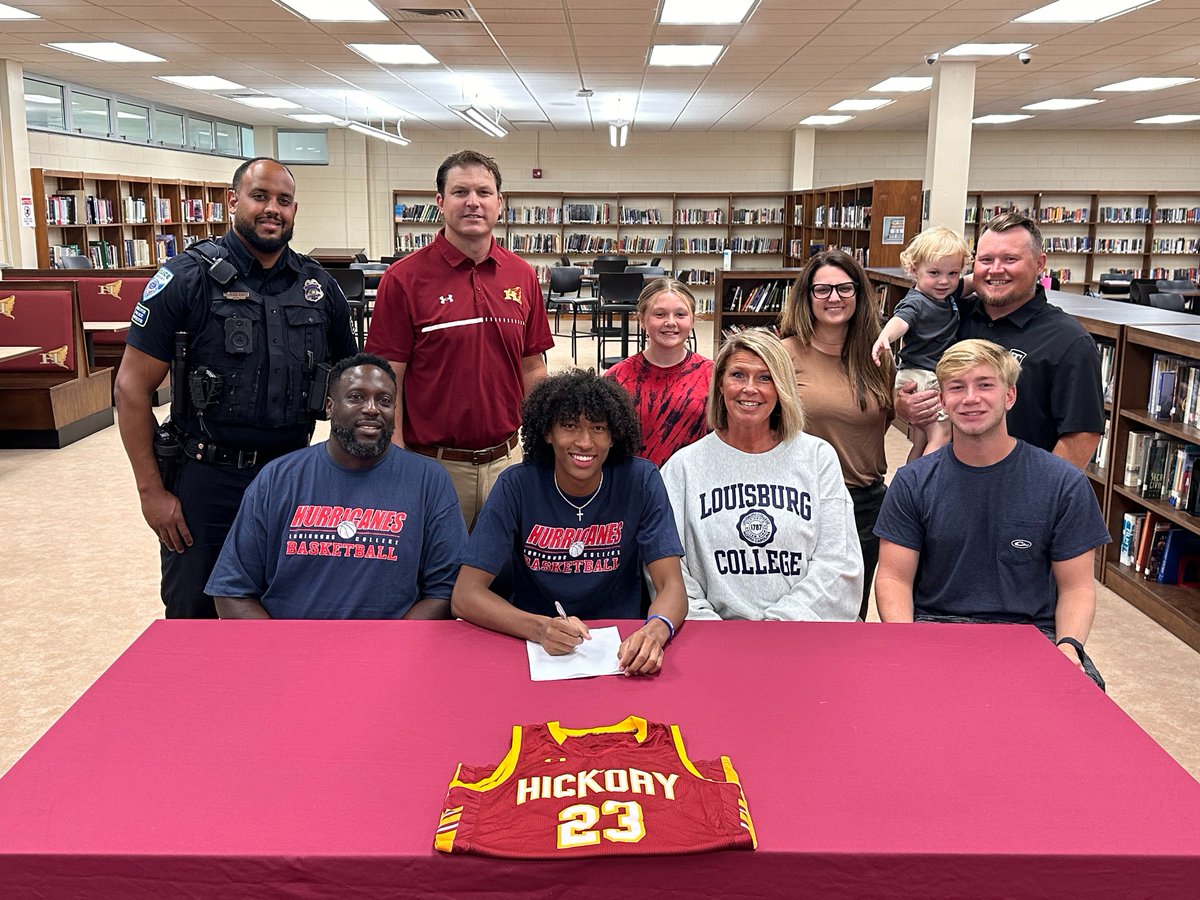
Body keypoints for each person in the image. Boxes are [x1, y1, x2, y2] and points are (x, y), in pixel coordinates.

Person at [114, 157, 357, 619]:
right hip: (207, 478)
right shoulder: (184, 279)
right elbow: (130, 388)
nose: (272, 209)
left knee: (293, 606)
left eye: (283, 201)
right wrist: (151, 492)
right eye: (260, 196)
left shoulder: (319, 288)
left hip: (294, 476)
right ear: (233, 201)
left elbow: (353, 382)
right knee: (197, 613)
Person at [874, 339, 1110, 688]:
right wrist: (906, 643)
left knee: (1082, 712)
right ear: (942, 401)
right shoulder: (913, 482)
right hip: (934, 626)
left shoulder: (1063, 483)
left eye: (985, 385)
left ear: (1009, 396)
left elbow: (1076, 587)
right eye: (957, 387)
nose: (971, 398)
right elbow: (894, 578)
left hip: (1031, 634)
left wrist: (1069, 646)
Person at [451, 369, 687, 676]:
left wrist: (654, 631)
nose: (585, 442)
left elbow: (672, 586)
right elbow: (464, 595)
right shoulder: (516, 485)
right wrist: (539, 627)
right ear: (547, 433)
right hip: (533, 646)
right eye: (570, 426)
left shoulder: (641, 480)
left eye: (599, 428)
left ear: (614, 434)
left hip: (622, 649)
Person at [365, 150, 555, 529]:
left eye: (484, 192)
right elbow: (389, 380)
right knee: (435, 581)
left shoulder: (522, 275)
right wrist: (395, 455)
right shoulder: (403, 280)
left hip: (508, 463)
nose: (473, 202)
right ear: (440, 202)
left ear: (500, 203)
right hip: (433, 466)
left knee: (504, 578)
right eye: (460, 192)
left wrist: (542, 440)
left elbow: (532, 366)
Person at [205, 353, 467, 619]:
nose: (372, 409)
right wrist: (282, 656)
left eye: (384, 400)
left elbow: (445, 592)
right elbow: (231, 590)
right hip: (289, 651)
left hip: (390, 653)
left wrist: (389, 652)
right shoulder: (277, 478)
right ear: (330, 407)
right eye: (356, 397)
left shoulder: (429, 480)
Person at [661, 328, 862, 622]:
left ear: (782, 388)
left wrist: (777, 626)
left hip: (801, 634)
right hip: (714, 639)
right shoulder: (684, 466)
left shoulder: (818, 458)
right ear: (719, 384)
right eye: (738, 375)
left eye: (765, 378)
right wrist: (710, 630)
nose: (750, 388)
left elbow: (839, 563)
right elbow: (670, 571)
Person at [896, 212, 1103, 469]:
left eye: (1010, 259)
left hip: (1016, 490)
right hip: (944, 482)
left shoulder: (1069, 341)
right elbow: (914, 370)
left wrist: (1037, 496)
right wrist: (904, 405)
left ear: (1040, 264)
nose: (995, 270)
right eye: (985, 260)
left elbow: (1081, 434)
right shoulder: (950, 315)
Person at [778, 250, 892, 620]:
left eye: (845, 288)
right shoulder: (783, 354)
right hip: (798, 503)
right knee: (794, 613)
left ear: (860, 295)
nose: (834, 298)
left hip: (863, 504)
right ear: (807, 295)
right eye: (823, 289)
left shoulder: (878, 355)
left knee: (848, 615)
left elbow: (884, 419)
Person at [871, 226, 973, 463]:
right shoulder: (917, 301)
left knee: (920, 439)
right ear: (914, 270)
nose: (944, 281)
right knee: (942, 433)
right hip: (926, 374)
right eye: (934, 273)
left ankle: (909, 481)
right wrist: (886, 336)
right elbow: (901, 321)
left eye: (953, 273)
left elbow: (972, 282)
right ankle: (924, 483)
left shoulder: (947, 294)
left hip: (917, 373)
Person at [605, 277, 713, 466]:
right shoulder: (617, 377)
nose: (670, 322)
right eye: (660, 314)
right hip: (635, 484)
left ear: (693, 320)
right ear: (642, 320)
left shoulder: (712, 374)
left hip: (692, 481)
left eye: (680, 314)